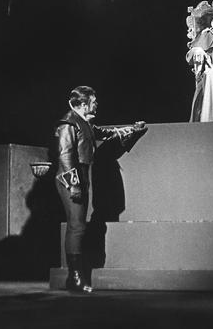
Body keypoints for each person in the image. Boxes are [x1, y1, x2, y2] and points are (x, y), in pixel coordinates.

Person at [53, 86, 145, 293]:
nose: (97, 105)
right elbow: (65, 156)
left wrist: (129, 130)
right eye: (93, 102)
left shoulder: (83, 122)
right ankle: (74, 277)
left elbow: (102, 132)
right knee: (76, 226)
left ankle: (76, 277)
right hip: (70, 180)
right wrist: (74, 184)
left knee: (78, 226)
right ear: (83, 104)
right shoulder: (68, 123)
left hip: (81, 178)